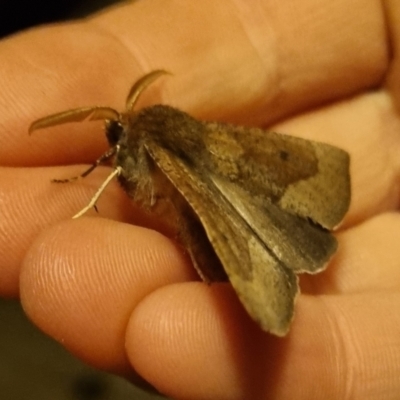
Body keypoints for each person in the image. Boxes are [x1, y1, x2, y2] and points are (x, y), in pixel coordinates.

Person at [1, 0, 399, 398]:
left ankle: (265, 272)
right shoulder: (186, 142)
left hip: (235, 235)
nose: (113, 146)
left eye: (116, 140)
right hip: (235, 207)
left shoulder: (155, 153)